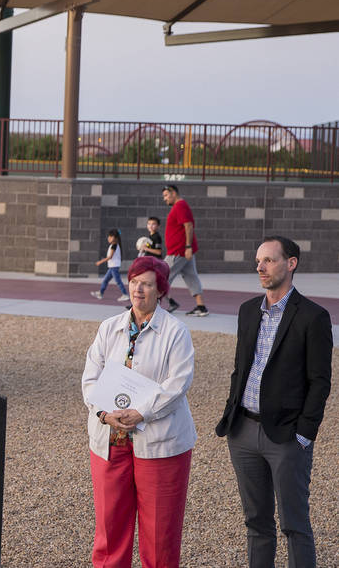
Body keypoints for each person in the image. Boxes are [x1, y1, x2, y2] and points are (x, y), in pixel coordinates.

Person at [215, 236, 332, 568]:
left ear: (291, 263)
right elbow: (242, 367)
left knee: (294, 525)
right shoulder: (247, 311)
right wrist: (231, 414)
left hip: (286, 438)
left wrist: (304, 434)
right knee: (256, 524)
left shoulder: (313, 317)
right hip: (243, 432)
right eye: (258, 261)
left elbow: (320, 381)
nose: (260, 267)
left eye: (269, 260)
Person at [82, 256, 196, 568]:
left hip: (161, 443)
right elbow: (90, 378)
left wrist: (142, 412)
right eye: (133, 282)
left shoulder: (176, 332)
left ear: (161, 290)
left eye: (146, 283)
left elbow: (178, 383)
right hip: (111, 439)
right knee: (109, 529)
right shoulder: (109, 328)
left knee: (160, 534)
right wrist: (105, 414)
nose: (138, 289)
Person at [161, 185, 208, 316]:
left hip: (179, 251)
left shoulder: (180, 206)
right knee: (191, 277)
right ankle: (201, 307)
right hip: (183, 251)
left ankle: (152, 307)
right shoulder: (180, 206)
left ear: (173, 193)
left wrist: (187, 247)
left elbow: (188, 225)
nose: (165, 199)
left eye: (166, 195)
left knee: (161, 276)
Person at [91, 229, 129, 302]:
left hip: (114, 267)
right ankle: (100, 293)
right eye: (109, 236)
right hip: (112, 267)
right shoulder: (114, 245)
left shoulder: (114, 246)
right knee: (105, 280)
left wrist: (100, 262)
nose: (109, 238)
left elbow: (110, 257)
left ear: (115, 238)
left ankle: (125, 294)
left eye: (111, 236)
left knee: (118, 281)